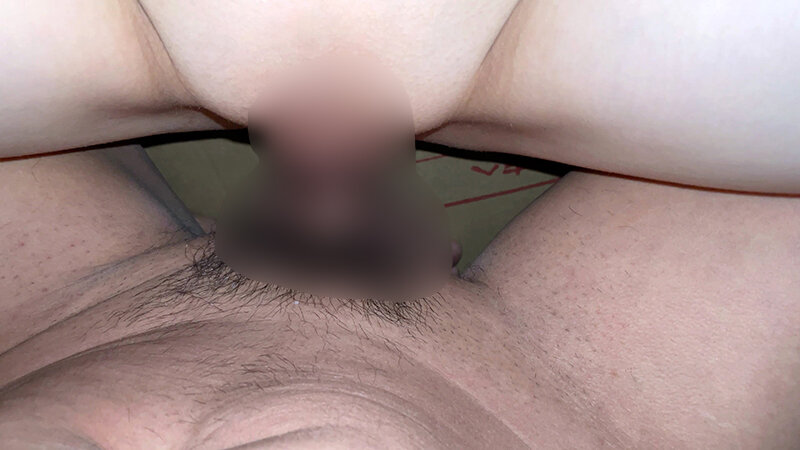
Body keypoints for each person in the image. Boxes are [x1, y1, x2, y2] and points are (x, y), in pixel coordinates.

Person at [1, 1, 798, 448]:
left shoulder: (35, 307)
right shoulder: (621, 401)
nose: (328, 201)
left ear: (209, 224)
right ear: (444, 252)